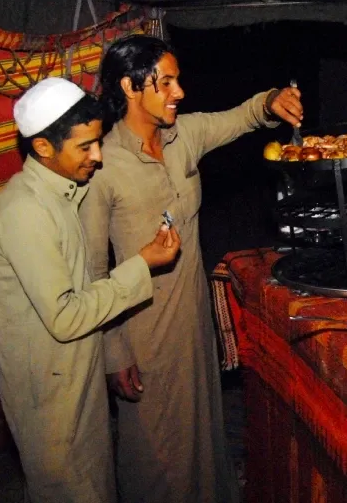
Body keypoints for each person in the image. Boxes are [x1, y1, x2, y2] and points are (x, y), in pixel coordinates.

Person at [78, 34, 303, 503]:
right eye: (165, 83)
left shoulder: (184, 136)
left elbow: (241, 117)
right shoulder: (103, 165)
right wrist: (114, 351)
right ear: (130, 86)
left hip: (193, 317)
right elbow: (92, 269)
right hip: (142, 327)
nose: (178, 92)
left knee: (202, 426)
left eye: (177, 81)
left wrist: (270, 101)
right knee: (154, 445)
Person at [0, 77, 181, 503]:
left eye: (98, 142)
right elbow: (67, 316)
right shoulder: (26, 212)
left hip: (75, 384)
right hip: (51, 404)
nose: (98, 156)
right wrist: (141, 264)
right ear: (43, 148)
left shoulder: (61, 196)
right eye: (85, 147)